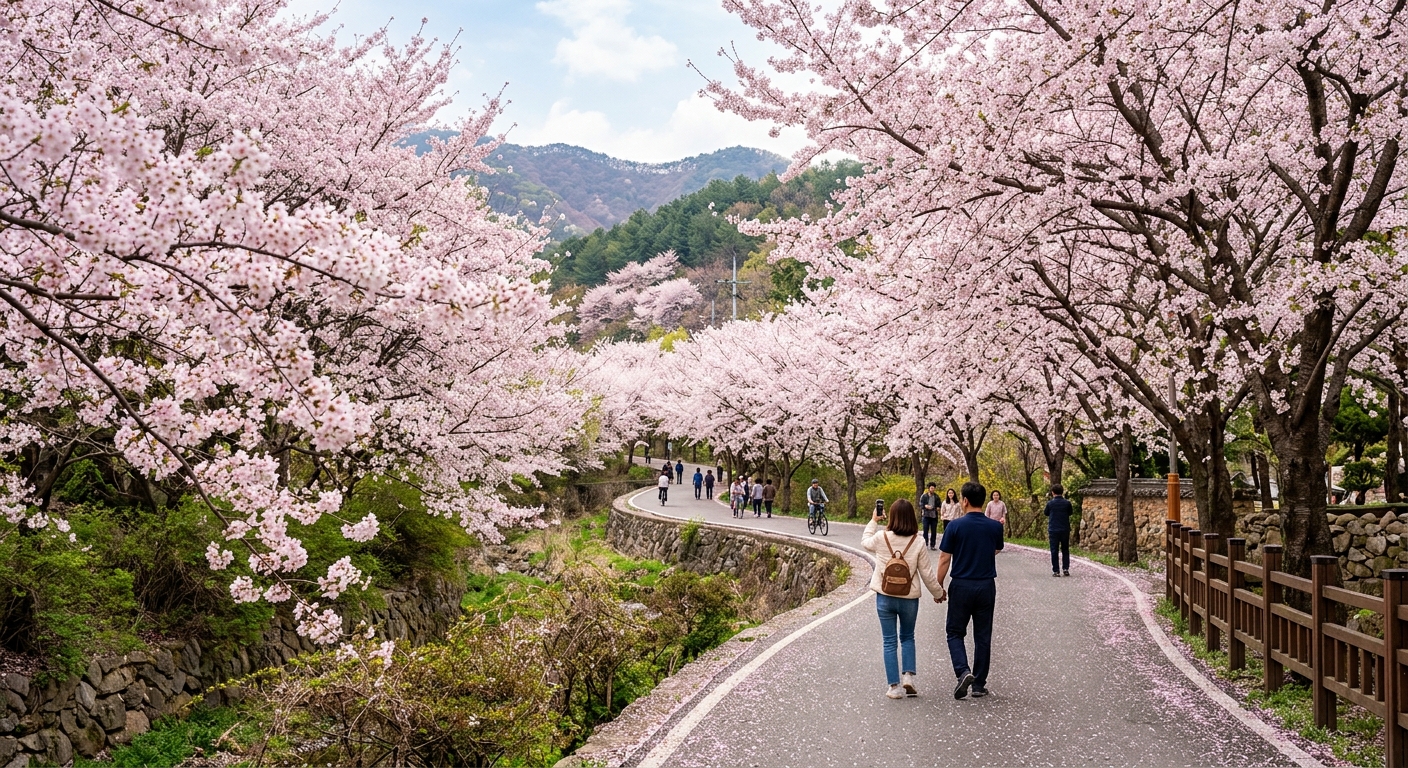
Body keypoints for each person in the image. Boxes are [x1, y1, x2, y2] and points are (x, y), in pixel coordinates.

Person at [862, 498, 946, 699]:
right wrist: (939, 593)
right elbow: (926, 573)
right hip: (909, 598)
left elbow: (865, 542)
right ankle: (908, 676)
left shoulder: (882, 537)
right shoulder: (918, 541)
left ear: (890, 516)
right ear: (911, 517)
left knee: (889, 642)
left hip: (885, 597)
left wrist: (873, 520)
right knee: (908, 636)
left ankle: (894, 688)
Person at [936, 481, 1005, 700]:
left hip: (961, 585)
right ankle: (979, 685)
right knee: (982, 635)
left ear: (964, 501)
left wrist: (939, 586)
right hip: (986, 586)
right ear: (984, 500)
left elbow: (945, 557)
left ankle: (963, 671)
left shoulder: (954, 526)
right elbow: (996, 549)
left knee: (955, 632)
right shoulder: (995, 527)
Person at [1044, 484, 1074, 577]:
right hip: (1065, 529)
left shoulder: (1050, 503)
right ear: (1062, 492)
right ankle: (1065, 568)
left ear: (1053, 492)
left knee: (1054, 550)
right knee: (1065, 549)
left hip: (1053, 529)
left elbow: (1046, 513)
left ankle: (1056, 570)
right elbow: (1070, 512)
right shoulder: (1067, 503)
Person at [919, 483, 941, 550]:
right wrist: (925, 506)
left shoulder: (936, 496)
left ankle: (933, 545)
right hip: (926, 515)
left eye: (933, 488)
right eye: (931, 488)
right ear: (928, 489)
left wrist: (938, 508)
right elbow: (920, 504)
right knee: (925, 530)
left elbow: (939, 504)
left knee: (933, 531)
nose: (932, 489)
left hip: (934, 515)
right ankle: (925, 544)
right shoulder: (924, 496)